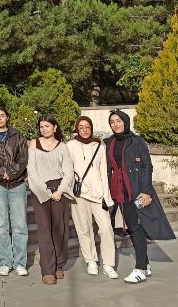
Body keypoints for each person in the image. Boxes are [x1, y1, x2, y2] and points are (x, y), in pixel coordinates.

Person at [106, 109, 175, 284]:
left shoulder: (136, 141)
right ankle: (145, 263)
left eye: (118, 121)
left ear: (125, 121)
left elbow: (147, 166)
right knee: (133, 228)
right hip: (118, 191)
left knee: (136, 228)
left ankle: (140, 269)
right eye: (112, 122)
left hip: (135, 190)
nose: (115, 124)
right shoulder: (109, 142)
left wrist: (145, 191)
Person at [66, 116, 118, 279]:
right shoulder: (70, 146)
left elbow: (104, 172)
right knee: (84, 229)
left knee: (106, 229)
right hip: (79, 194)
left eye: (87, 126)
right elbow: (67, 170)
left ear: (91, 127)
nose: (85, 129)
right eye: (81, 127)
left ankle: (109, 264)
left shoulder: (99, 145)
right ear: (77, 128)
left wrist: (106, 196)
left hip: (97, 194)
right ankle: (91, 260)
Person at [0, 106, 29, 277]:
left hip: (17, 184)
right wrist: (3, 173)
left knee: (19, 225)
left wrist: (13, 172)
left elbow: (23, 157)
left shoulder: (18, 136)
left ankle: (20, 262)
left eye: (2, 115)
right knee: (0, 225)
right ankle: (5, 262)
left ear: (7, 117)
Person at [27, 114, 74, 285]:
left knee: (60, 228)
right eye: (41, 126)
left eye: (47, 126)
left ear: (55, 128)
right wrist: (45, 191)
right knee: (45, 228)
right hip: (40, 189)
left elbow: (68, 171)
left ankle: (58, 265)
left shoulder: (62, 147)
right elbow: (31, 169)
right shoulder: (34, 143)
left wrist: (60, 191)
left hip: (59, 189)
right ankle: (47, 269)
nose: (44, 129)